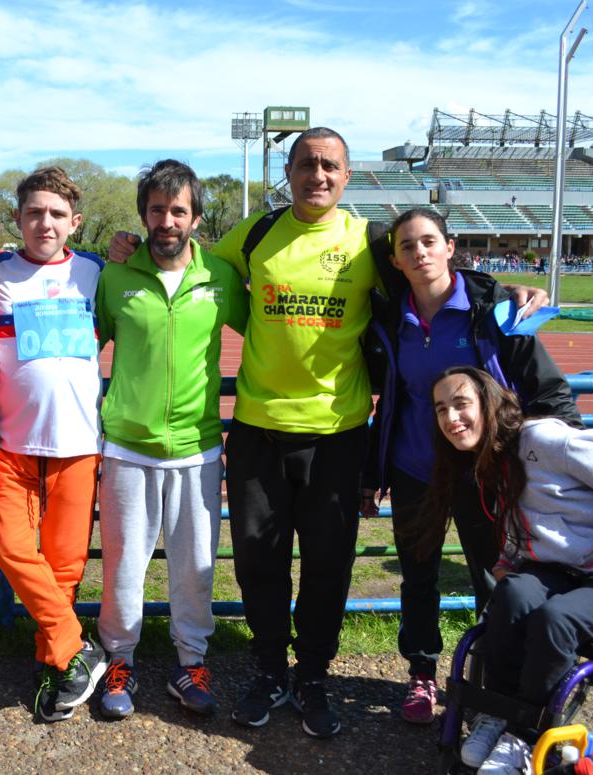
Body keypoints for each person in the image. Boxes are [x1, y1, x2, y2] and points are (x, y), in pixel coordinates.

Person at [108, 126, 547, 739]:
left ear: (346, 176)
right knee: (258, 564)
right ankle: (268, 671)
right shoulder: (253, 234)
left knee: (327, 566)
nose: (318, 175)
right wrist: (129, 246)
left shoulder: (370, 241)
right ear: (288, 174)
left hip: (338, 435)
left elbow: (432, 276)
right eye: (306, 165)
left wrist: (502, 290)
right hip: (259, 429)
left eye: (330, 166)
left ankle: (312, 675)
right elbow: (181, 255)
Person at [361, 208, 580, 725]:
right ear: (395, 260)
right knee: (418, 578)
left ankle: (491, 680)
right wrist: (373, 475)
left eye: (429, 241)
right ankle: (421, 674)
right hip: (415, 470)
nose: (419, 252)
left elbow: (548, 389)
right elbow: (387, 400)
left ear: (450, 247)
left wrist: (568, 455)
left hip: (485, 472)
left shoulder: (496, 310)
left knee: (494, 579)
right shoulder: (388, 318)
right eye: (407, 246)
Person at [426, 367, 593, 773]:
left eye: (461, 404)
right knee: (510, 594)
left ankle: (525, 737)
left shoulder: (543, 440)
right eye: (441, 409)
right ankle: (498, 713)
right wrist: (509, 562)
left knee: (555, 619)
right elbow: (530, 516)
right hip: (564, 570)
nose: (451, 418)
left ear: (488, 404)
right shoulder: (490, 459)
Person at [94, 160, 248, 719]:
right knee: (123, 566)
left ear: (196, 218)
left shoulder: (220, 278)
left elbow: (267, 333)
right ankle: (119, 660)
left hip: (198, 447)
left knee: (194, 567)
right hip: (127, 448)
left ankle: (192, 664)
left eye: (178, 210)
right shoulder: (115, 276)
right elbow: (82, 344)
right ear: (143, 216)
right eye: (157, 210)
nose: (167, 221)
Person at [0, 166, 107, 722]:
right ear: (18, 218)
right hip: (13, 444)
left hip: (78, 443)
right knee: (13, 551)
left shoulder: (96, 272)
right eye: (34, 212)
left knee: (64, 567)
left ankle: (56, 663)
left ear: (74, 222)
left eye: (57, 214)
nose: (45, 223)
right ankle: (78, 649)